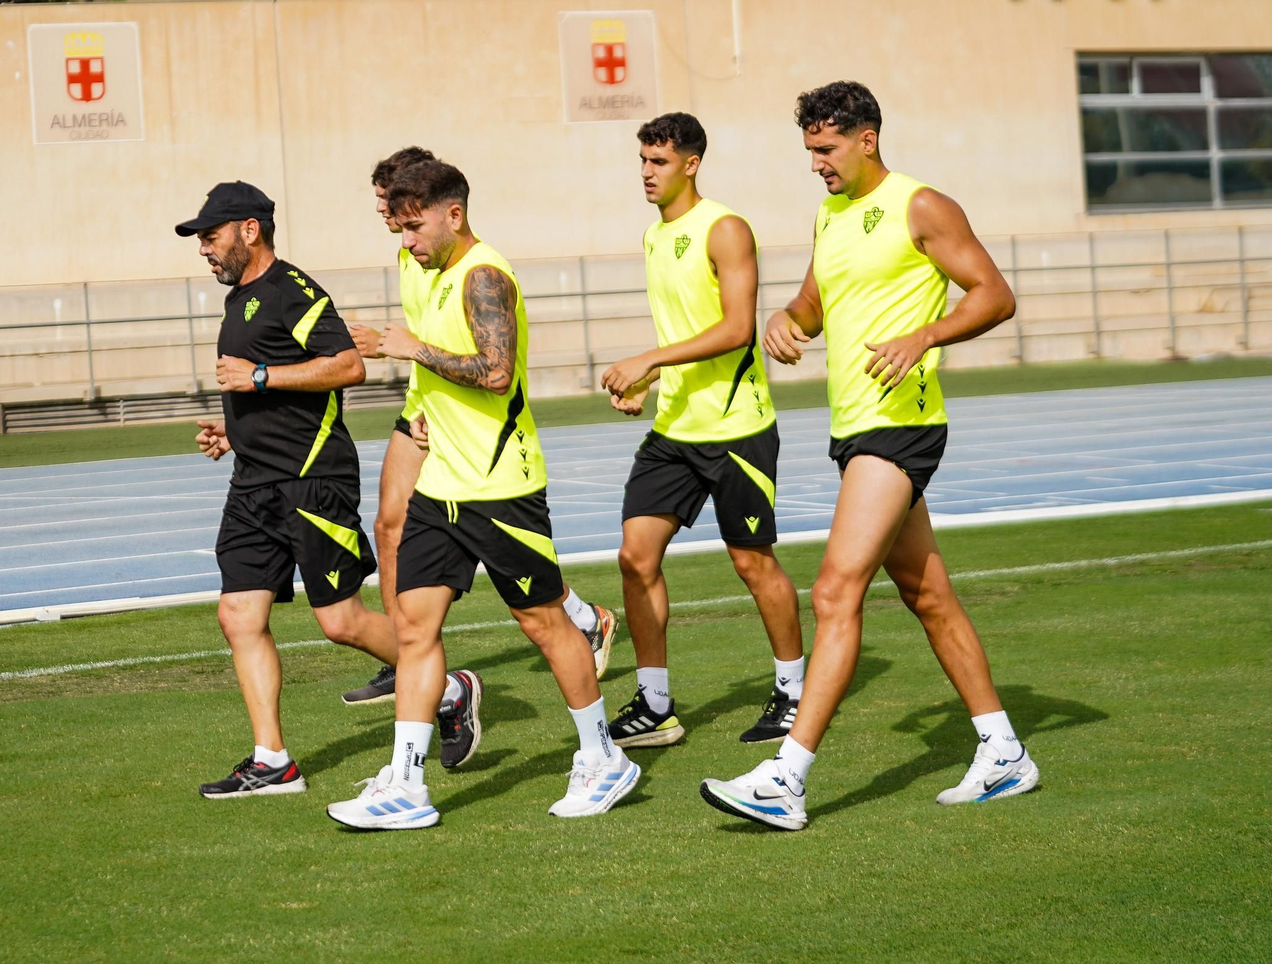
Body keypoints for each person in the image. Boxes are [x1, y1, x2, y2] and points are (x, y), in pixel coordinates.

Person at [700, 82, 1040, 831]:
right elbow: (812, 306)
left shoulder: (923, 207)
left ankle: (786, 778)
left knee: (834, 590)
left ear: (867, 139)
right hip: (856, 427)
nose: (815, 164)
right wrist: (784, 322)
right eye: (810, 151)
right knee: (928, 597)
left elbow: (994, 295)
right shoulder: (832, 213)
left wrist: (927, 335)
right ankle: (1004, 750)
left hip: (902, 425)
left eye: (825, 149)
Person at [327, 161, 639, 829]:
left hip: (501, 487)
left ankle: (602, 756)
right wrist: (421, 409)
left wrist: (413, 350)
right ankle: (408, 786)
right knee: (415, 630)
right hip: (440, 485)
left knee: (543, 624)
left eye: (415, 226)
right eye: (401, 226)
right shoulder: (432, 272)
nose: (405, 239)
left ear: (453, 215)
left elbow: (496, 373)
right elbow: (443, 367)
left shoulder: (484, 275)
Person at [179, 181, 482, 798]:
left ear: (248, 230)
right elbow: (271, 395)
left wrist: (258, 377)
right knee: (238, 614)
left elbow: (348, 365)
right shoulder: (238, 300)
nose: (203, 250)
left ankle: (450, 690)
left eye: (209, 237)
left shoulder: (293, 290)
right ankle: (273, 762)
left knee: (339, 621)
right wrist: (236, 433)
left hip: (311, 481)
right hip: (254, 483)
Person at [598, 112, 805, 750]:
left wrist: (649, 361)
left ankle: (794, 694)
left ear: (691, 163)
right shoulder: (654, 237)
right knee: (636, 558)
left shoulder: (726, 229)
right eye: (641, 161)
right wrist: (648, 384)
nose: (646, 173)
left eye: (658, 162)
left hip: (739, 428)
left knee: (751, 562)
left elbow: (738, 329)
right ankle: (655, 705)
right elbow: (687, 333)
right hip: (675, 431)